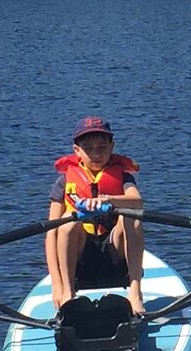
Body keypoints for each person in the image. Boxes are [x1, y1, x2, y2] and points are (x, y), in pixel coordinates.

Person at [47, 116, 145, 315]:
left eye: (102, 147)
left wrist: (108, 200)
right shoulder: (64, 181)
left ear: (112, 147)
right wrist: (55, 284)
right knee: (67, 222)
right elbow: (50, 235)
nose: (96, 154)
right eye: (88, 148)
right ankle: (67, 293)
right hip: (80, 255)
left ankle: (135, 293)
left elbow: (137, 201)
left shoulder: (123, 176)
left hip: (115, 251)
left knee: (132, 216)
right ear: (77, 151)